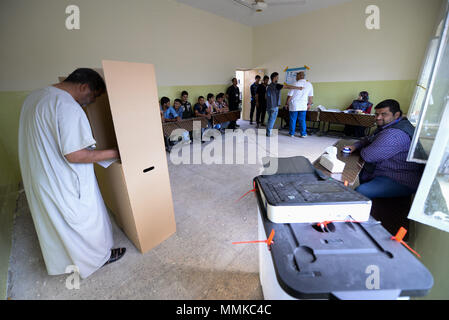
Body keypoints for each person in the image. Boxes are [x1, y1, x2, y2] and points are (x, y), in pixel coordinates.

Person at [18, 68, 126, 279]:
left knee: (59, 224)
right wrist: (116, 151)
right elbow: (75, 155)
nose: (90, 102)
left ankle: (71, 260)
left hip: (40, 176)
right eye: (92, 96)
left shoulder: (35, 97)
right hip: (64, 178)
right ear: (84, 86)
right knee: (85, 220)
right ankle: (98, 258)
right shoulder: (67, 106)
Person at [343, 99, 424, 199]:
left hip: (399, 178)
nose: (378, 118)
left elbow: (368, 156)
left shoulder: (394, 134)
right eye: (376, 114)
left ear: (396, 114)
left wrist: (365, 146)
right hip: (390, 170)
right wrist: (355, 145)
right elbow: (369, 139)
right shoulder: (391, 125)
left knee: (360, 192)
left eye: (384, 114)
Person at [265, 72, 303, 137]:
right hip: (274, 106)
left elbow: (265, 96)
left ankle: (268, 131)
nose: (278, 78)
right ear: (274, 78)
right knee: (272, 119)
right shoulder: (276, 85)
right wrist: (298, 88)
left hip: (268, 105)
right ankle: (269, 133)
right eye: (277, 77)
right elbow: (287, 87)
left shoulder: (268, 86)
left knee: (269, 119)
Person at [284, 71, 314, 138]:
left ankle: (291, 133)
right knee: (302, 120)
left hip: (294, 105)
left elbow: (290, 95)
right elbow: (310, 96)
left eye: (296, 76)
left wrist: (286, 104)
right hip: (303, 105)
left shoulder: (295, 84)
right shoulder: (309, 84)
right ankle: (303, 134)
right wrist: (309, 104)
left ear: (300, 76)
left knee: (293, 119)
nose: (296, 77)